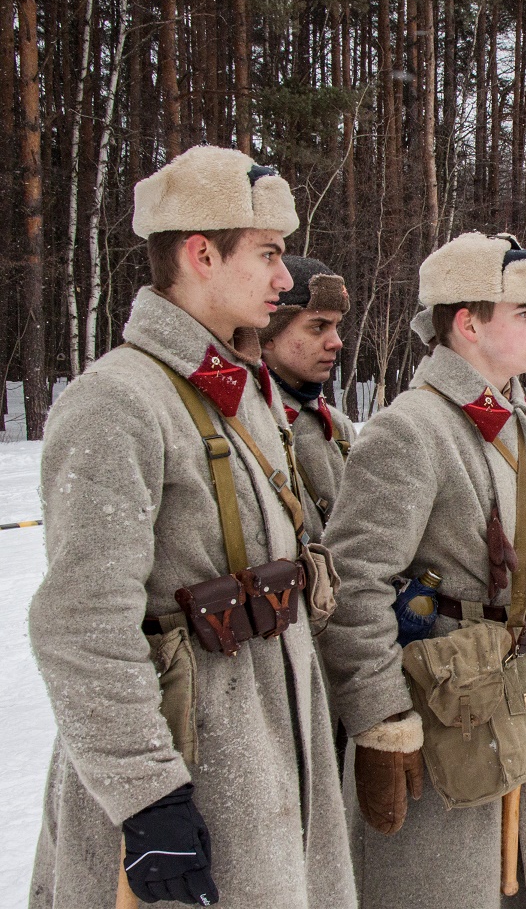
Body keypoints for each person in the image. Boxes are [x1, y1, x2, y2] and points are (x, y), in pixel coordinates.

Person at [28, 146, 358, 907]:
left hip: (264, 747)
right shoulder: (116, 401)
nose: (285, 280)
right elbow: (81, 626)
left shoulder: (235, 394)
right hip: (188, 762)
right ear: (200, 254)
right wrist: (147, 798)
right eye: (270, 255)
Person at [323, 232, 526, 908]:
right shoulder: (409, 429)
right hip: (448, 712)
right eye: (522, 314)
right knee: (446, 884)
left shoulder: (522, 422)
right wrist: (381, 720)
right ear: (468, 323)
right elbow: (356, 584)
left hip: (520, 684)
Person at [260, 255, 356, 540]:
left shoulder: (339, 429)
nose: (336, 341)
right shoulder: (246, 423)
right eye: (318, 327)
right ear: (268, 335)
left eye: (336, 326)